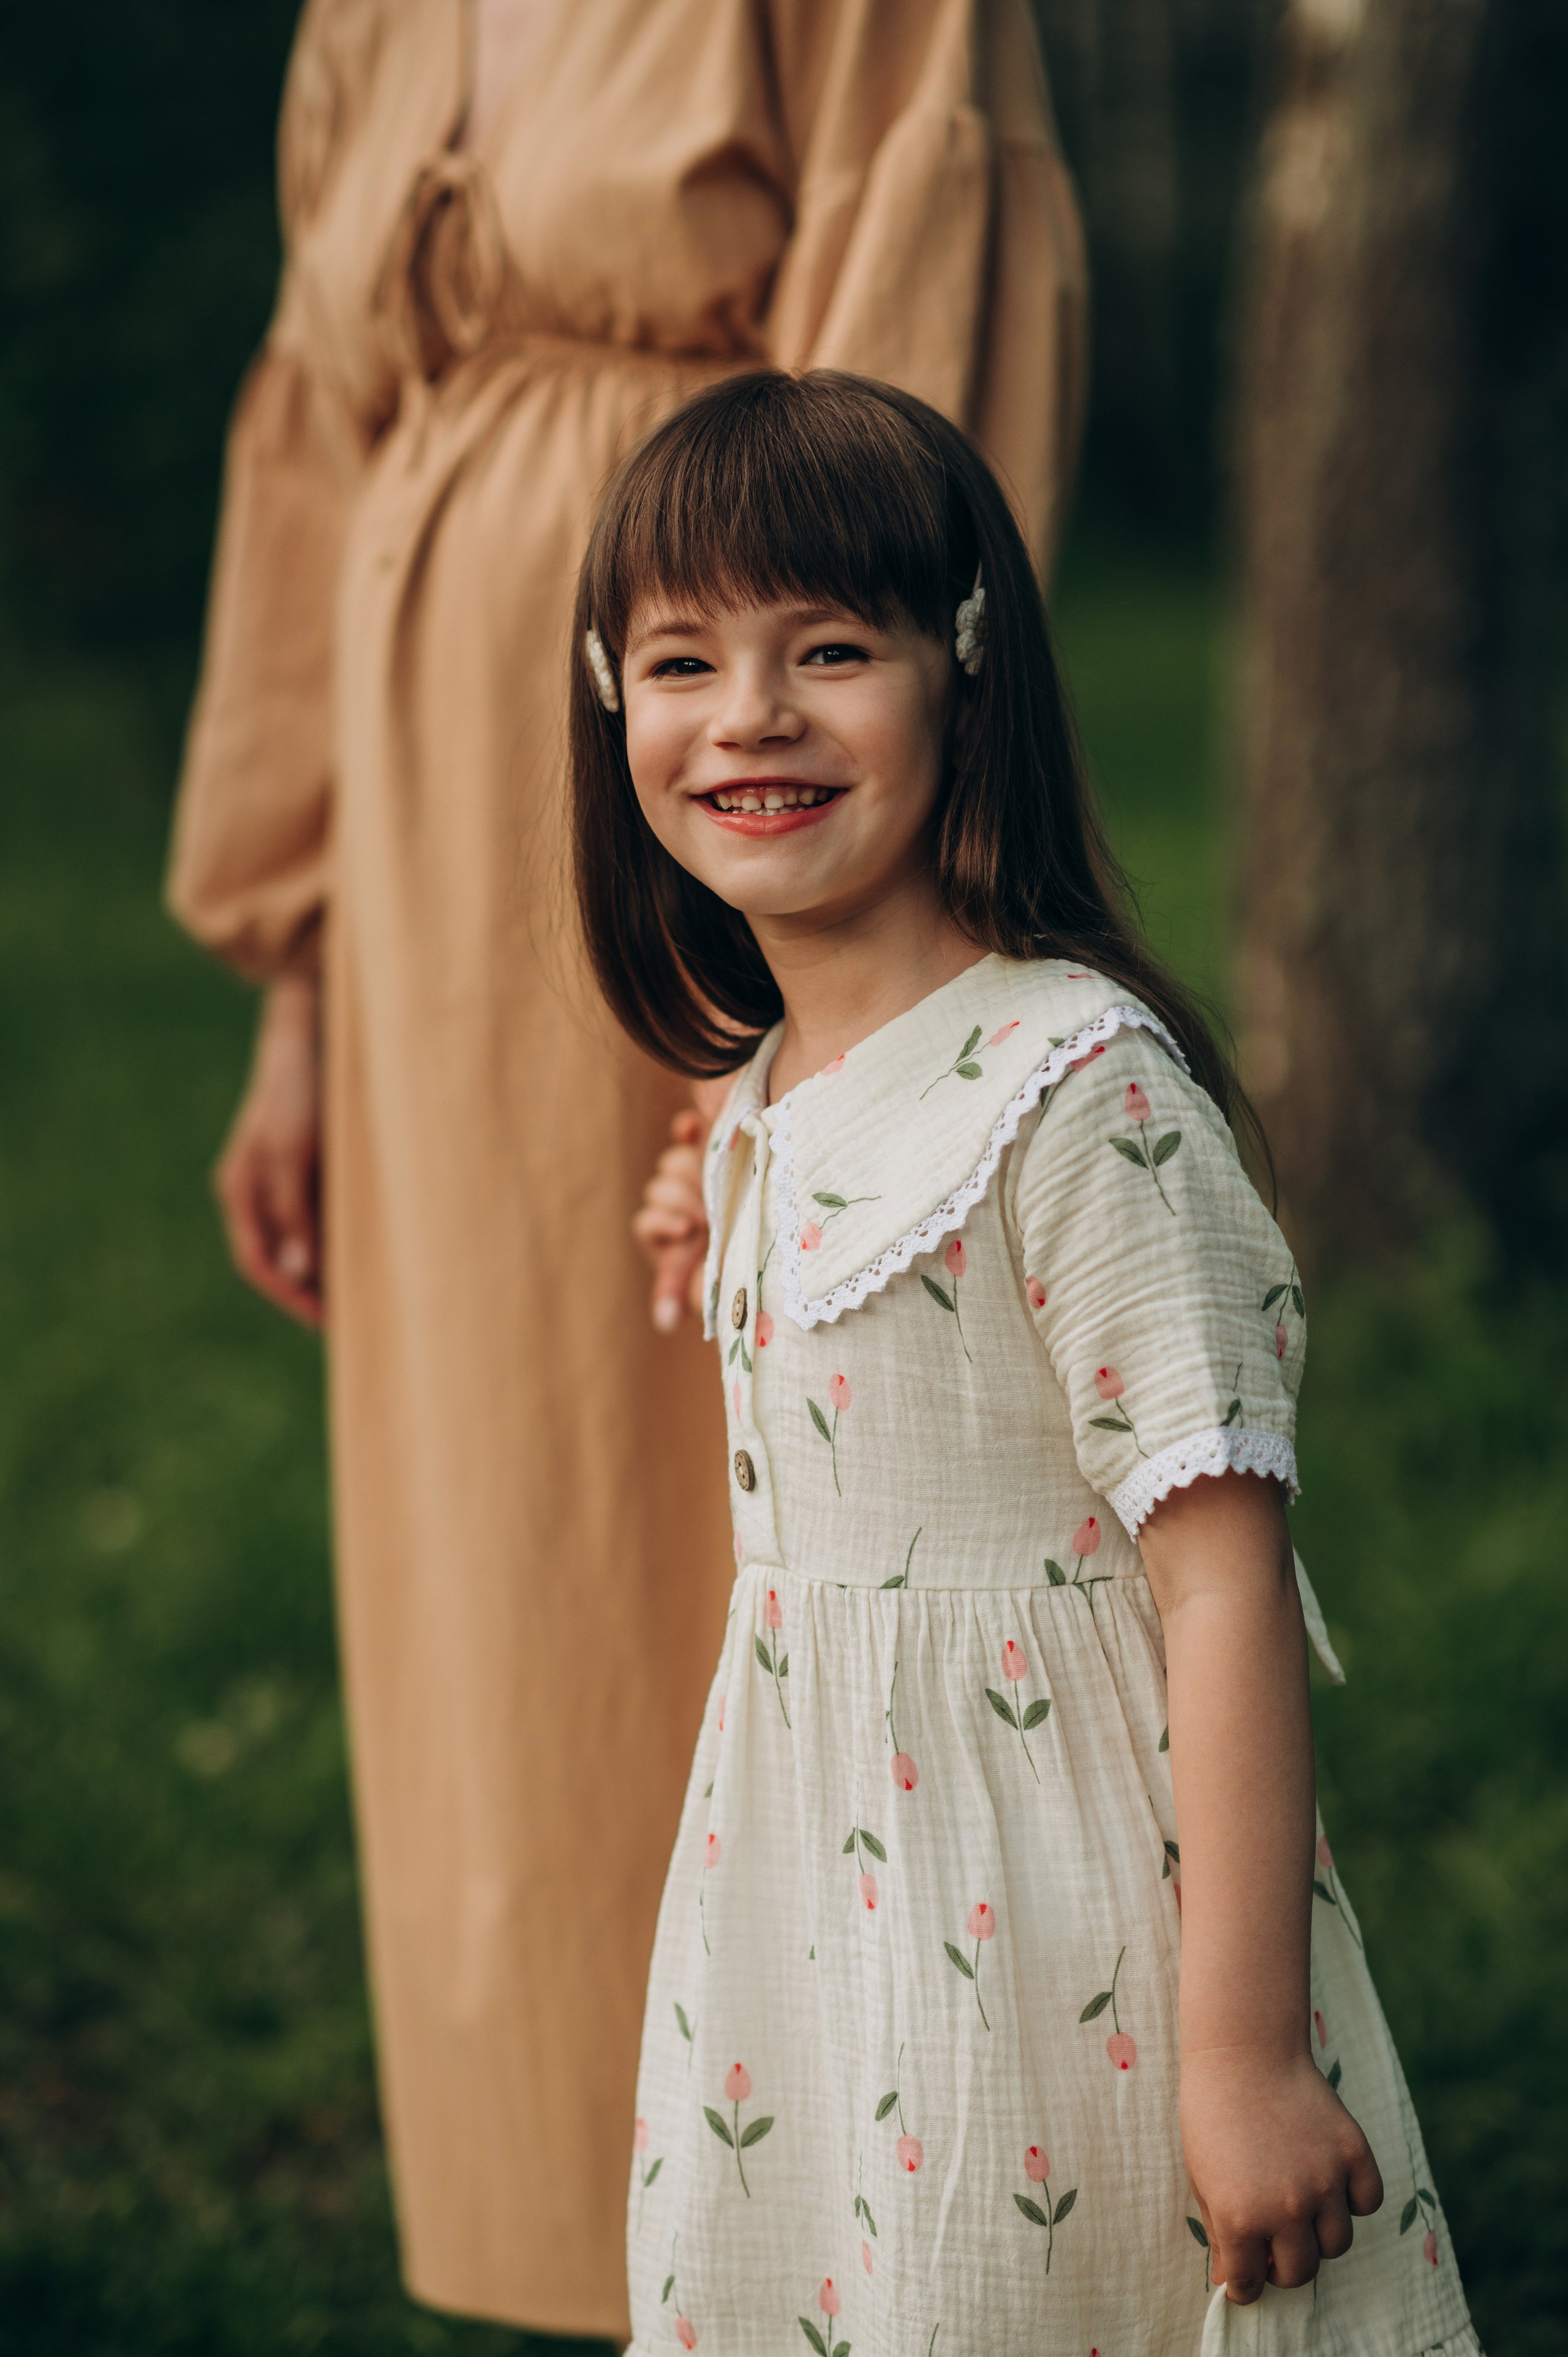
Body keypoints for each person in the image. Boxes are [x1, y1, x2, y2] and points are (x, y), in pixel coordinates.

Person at [165, 0, 1086, 2335]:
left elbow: (923, 349)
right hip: (432, 854)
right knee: (511, 1563)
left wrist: (839, 976)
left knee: (742, 1503)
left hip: (726, 792)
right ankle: (594, 2243)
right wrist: (299, 985)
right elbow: (312, 436)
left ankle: (864, 2225)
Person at [576, 372, 1480, 2353]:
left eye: (832, 650)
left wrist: (1242, 2059)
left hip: (1059, 1912)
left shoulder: (1081, 1094)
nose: (752, 714)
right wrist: (730, 1211)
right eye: (683, 661)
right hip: (816, 1893)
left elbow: (1224, 1584)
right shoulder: (768, 1087)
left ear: (969, 671)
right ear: (607, 699)